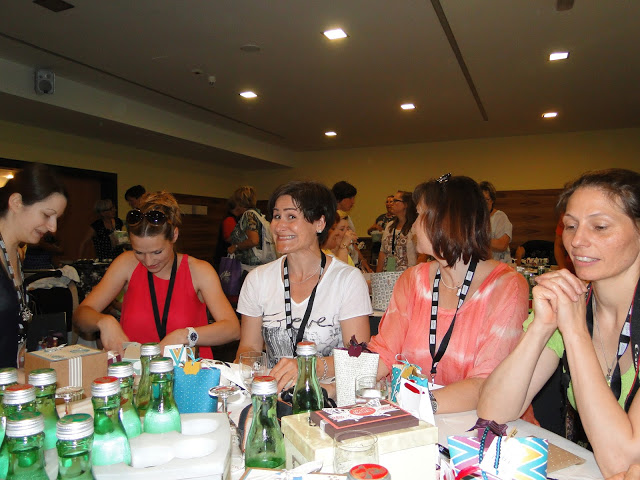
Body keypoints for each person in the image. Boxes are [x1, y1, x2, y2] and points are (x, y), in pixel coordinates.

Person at [477, 169, 640, 477]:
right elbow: (493, 411)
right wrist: (542, 326)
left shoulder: (575, 315)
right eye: (571, 226)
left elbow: (623, 461)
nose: (576, 241)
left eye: (600, 227)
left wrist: (575, 332)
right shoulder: (573, 302)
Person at [368, 174, 529, 413]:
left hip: (480, 426)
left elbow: (488, 383)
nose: (413, 226)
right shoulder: (412, 280)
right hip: (417, 416)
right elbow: (384, 352)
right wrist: (337, 383)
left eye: (420, 215)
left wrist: (416, 405)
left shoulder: (506, 286)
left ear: (448, 221)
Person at [235, 181, 372, 391]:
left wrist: (307, 367)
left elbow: (358, 354)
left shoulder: (347, 280)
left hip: (327, 396)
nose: (279, 226)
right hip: (275, 394)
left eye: (291, 216)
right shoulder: (257, 279)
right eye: (276, 216)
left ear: (319, 223)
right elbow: (249, 347)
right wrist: (246, 376)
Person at [73, 191, 240, 358]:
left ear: (174, 235)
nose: (148, 261)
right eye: (139, 252)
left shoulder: (199, 271)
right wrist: (104, 321)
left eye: (157, 252)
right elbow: (81, 314)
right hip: (137, 371)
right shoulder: (126, 264)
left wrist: (185, 336)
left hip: (189, 372)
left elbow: (232, 329)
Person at [0, 163, 67, 368]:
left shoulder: (16, 254)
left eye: (56, 219)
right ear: (16, 202)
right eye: (46, 215)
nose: (53, 228)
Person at [227, 186, 273, 273]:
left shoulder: (248, 215)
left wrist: (235, 246)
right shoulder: (258, 214)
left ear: (239, 202)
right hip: (259, 265)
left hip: (249, 267)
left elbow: (253, 240)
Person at [376, 190, 423, 272]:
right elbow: (382, 252)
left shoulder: (415, 227)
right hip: (388, 275)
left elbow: (422, 255)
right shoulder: (390, 226)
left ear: (406, 204)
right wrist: (377, 275)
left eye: (395, 201)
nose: (392, 203)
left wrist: (415, 274)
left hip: (407, 274)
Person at [331, 181, 372, 273]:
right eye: (350, 198)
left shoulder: (347, 217)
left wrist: (362, 260)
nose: (353, 202)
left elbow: (353, 242)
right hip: (340, 262)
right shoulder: (331, 218)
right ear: (340, 198)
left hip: (352, 261)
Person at [479, 181, 513, 263]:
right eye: (481, 200)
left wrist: (477, 240)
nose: (484, 203)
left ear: (492, 200)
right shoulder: (474, 218)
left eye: (487, 199)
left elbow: (502, 245)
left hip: (501, 265)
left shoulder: (500, 217)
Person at [367, 195, 396, 265]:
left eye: (391, 202)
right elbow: (369, 232)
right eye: (387, 202)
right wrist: (373, 227)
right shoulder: (381, 217)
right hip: (377, 247)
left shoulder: (397, 219)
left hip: (390, 249)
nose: (388, 204)